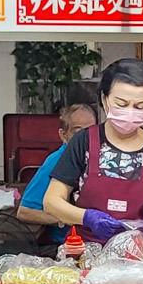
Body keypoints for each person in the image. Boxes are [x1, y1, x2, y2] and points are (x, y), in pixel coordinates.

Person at [44, 59, 143, 242]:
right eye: (122, 104)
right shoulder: (83, 142)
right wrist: (87, 218)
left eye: (140, 106)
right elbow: (51, 202)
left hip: (141, 260)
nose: (130, 112)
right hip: (87, 258)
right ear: (104, 99)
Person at [16, 103, 98, 242]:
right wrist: (68, 218)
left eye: (90, 131)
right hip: (66, 244)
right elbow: (25, 212)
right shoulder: (56, 161)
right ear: (63, 135)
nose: (85, 138)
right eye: (78, 132)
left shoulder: (96, 159)